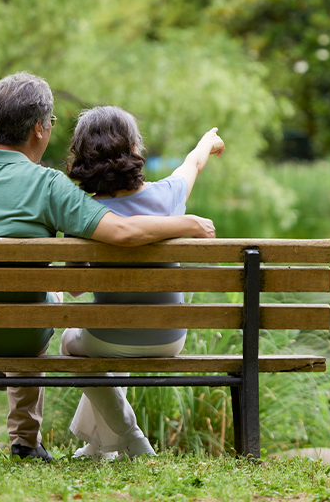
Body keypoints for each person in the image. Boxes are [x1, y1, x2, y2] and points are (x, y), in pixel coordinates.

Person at [0, 73, 215, 462]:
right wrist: (188, 223)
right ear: (39, 129)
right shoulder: (47, 185)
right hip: (21, 340)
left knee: (52, 303)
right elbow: (124, 230)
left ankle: (96, 443)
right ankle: (26, 442)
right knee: (45, 300)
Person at [60, 105, 224, 459]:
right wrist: (207, 142)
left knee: (72, 343)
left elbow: (74, 288)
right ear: (135, 149)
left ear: (84, 159)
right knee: (103, 345)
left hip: (109, 340)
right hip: (169, 340)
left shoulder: (84, 213)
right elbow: (192, 164)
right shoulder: (170, 195)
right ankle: (100, 443)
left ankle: (128, 435)